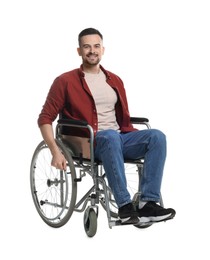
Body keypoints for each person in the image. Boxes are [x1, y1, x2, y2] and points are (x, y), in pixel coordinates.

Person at [38, 27, 176, 225]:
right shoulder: (64, 81)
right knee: (110, 136)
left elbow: (122, 118)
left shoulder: (115, 80)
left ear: (103, 49)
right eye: (86, 47)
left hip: (118, 138)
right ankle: (124, 206)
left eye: (96, 46)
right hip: (87, 142)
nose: (92, 51)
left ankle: (148, 203)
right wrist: (55, 151)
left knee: (157, 136)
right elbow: (44, 118)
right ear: (79, 51)